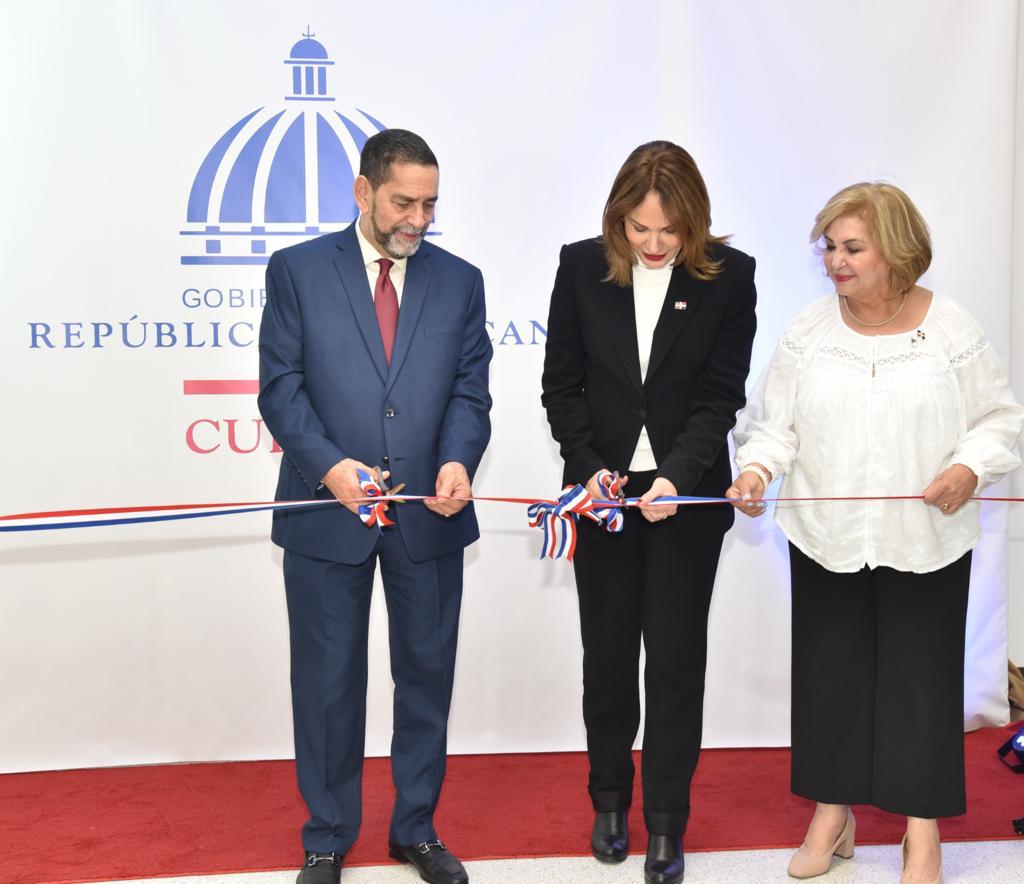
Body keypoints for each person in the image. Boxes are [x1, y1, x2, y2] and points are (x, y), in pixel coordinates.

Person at [728, 182, 1024, 883]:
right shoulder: (809, 331)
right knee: (829, 679)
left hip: (926, 539)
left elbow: (999, 420)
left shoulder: (950, 328)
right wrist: (757, 470)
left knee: (921, 684)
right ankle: (832, 815)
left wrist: (968, 468)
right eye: (829, 247)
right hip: (825, 535)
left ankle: (922, 834)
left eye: (853, 247)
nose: (835, 260)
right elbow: (772, 424)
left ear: (896, 251)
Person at [258, 128, 492, 884]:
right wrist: (329, 469)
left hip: (430, 517)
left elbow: (470, 392)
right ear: (363, 192)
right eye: (402, 203)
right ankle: (327, 838)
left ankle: (416, 830)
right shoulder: (297, 271)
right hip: (326, 515)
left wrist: (457, 460)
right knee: (327, 684)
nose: (418, 219)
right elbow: (281, 390)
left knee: (426, 677)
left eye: (430, 204)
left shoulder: (460, 281)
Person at [541, 140, 757, 884]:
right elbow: (561, 386)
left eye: (671, 230)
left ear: (695, 221)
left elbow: (720, 396)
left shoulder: (731, 276)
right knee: (606, 661)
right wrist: (590, 469)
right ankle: (609, 805)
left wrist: (676, 475)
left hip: (683, 499)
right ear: (617, 219)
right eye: (640, 229)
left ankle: (667, 821)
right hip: (602, 498)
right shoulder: (580, 267)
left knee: (673, 664)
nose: (656, 244)